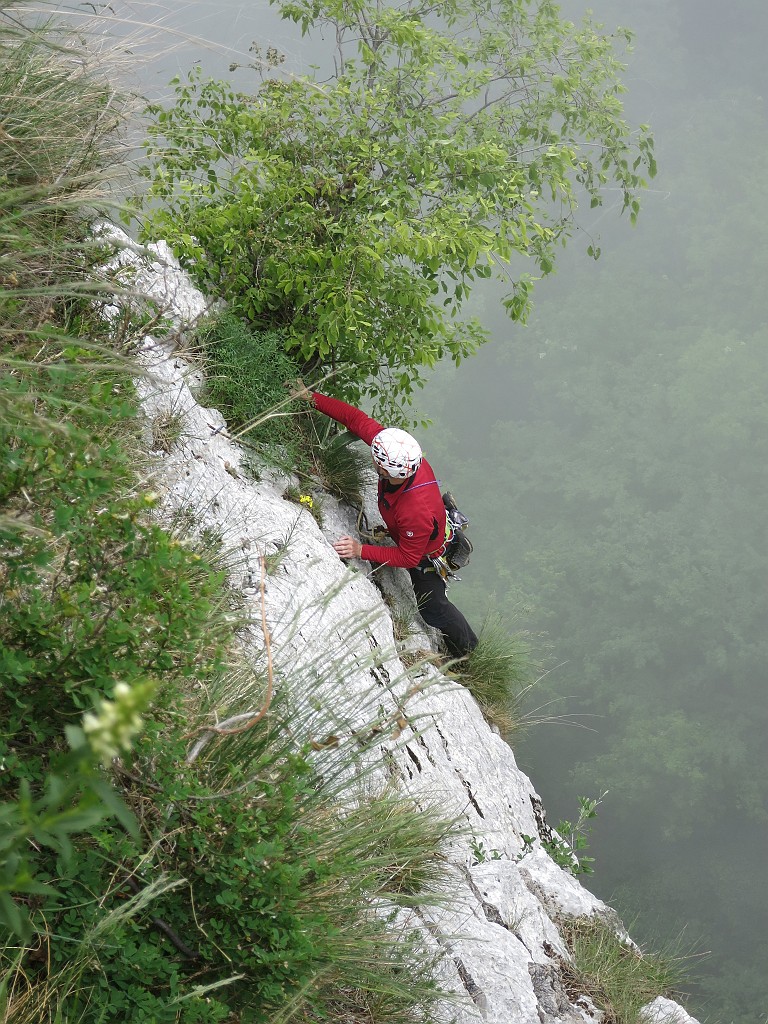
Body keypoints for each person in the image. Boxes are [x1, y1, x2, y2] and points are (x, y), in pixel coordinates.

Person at [292, 383, 478, 658]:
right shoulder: (400, 454)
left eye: (375, 461)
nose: (372, 458)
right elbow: (356, 419)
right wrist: (310, 397)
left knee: (432, 608)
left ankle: (468, 650)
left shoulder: (415, 510)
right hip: (417, 532)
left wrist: (360, 551)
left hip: (426, 554)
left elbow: (409, 559)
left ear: (385, 469)